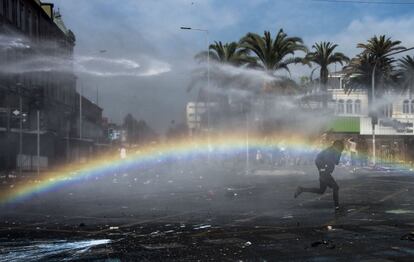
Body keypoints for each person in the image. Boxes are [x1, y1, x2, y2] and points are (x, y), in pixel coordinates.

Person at [294, 140, 345, 210]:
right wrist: (322, 168)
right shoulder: (330, 151)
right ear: (337, 146)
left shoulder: (333, 151)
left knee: (321, 191)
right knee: (335, 187)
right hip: (324, 172)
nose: (342, 148)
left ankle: (301, 189)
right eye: (341, 146)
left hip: (324, 172)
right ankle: (337, 206)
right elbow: (322, 160)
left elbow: (336, 162)